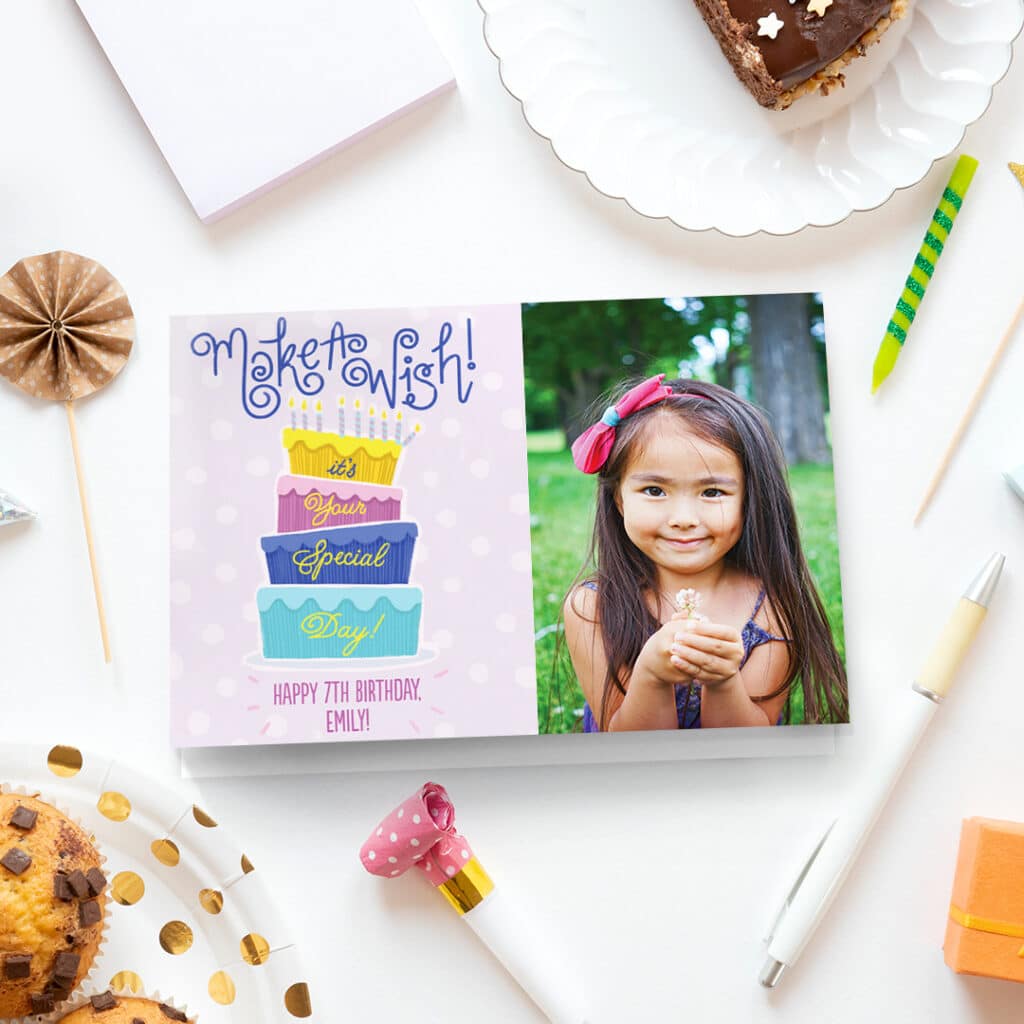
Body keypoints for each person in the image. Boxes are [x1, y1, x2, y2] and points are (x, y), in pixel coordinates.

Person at [562, 374, 847, 731]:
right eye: (654, 490)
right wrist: (651, 675)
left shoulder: (771, 609)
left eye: (712, 493)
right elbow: (627, 748)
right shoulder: (593, 608)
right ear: (619, 498)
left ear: (750, 500)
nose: (683, 519)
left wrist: (723, 681)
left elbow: (749, 752)